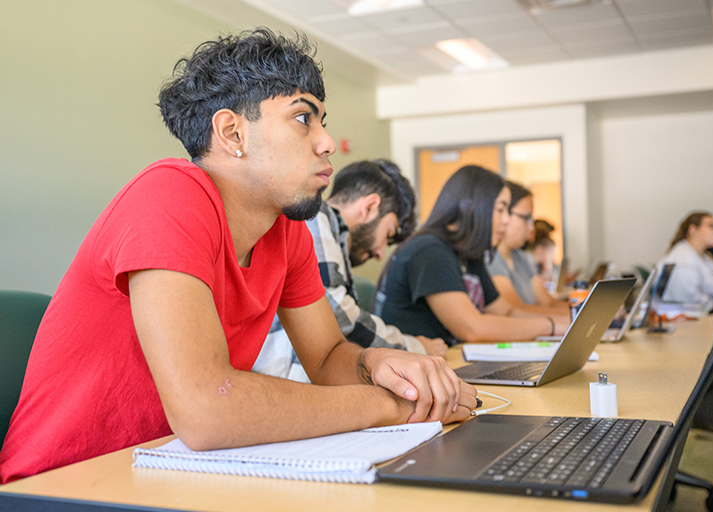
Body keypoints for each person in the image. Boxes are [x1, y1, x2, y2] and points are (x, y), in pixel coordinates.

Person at [0, 29, 476, 484]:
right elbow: (207, 410)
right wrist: (389, 406)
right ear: (232, 133)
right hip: (62, 483)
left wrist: (378, 366)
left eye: (323, 123)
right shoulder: (168, 196)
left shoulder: (284, 231)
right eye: (303, 118)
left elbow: (328, 356)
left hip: (173, 472)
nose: (327, 141)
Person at [253, 160, 447, 381]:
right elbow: (338, 314)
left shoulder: (330, 235)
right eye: (388, 234)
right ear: (370, 207)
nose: (380, 254)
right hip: (284, 385)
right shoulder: (317, 219)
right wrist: (415, 346)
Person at [374, 165, 569, 346]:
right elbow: (472, 328)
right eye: (501, 209)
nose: (506, 220)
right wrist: (549, 326)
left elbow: (506, 312)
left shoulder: (468, 254)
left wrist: (568, 322)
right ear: (471, 208)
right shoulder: (430, 250)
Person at [486, 181, 570, 316]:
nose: (531, 228)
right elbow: (516, 311)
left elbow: (547, 303)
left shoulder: (521, 257)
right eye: (526, 218)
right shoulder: (489, 258)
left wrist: (586, 314)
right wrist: (572, 318)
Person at [657, 211, 713, 312]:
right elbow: (690, 299)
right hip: (687, 318)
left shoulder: (705, 257)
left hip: (703, 314)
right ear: (693, 229)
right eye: (711, 226)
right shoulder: (682, 258)